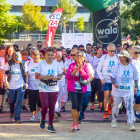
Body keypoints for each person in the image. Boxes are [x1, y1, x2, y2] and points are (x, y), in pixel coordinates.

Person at [35, 48, 62, 133]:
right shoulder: (41, 63)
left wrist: (56, 78)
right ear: (45, 55)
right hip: (43, 87)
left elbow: (60, 75)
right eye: (48, 55)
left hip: (54, 87)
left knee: (52, 107)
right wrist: (47, 77)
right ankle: (43, 119)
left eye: (51, 55)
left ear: (54, 56)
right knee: (45, 106)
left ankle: (50, 125)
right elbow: (37, 76)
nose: (50, 57)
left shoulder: (57, 64)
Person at [111, 50, 138, 131]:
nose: (119, 57)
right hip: (118, 90)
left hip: (128, 90)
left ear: (125, 57)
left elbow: (136, 78)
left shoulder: (132, 66)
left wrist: (136, 87)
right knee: (116, 106)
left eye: (121, 56)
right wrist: (114, 83)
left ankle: (131, 124)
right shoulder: (117, 66)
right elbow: (112, 77)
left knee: (129, 107)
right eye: (119, 56)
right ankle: (114, 120)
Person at [66, 51, 89, 131]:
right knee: (74, 105)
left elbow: (86, 76)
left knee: (79, 106)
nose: (79, 57)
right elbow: (68, 76)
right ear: (74, 57)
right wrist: (76, 70)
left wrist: (81, 70)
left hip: (81, 88)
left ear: (83, 57)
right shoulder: (71, 65)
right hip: (72, 88)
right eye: (77, 56)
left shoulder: (85, 66)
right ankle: (74, 123)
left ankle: (77, 123)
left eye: (80, 56)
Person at [4, 52, 28, 123]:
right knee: (11, 101)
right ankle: (12, 111)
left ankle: (17, 118)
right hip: (11, 86)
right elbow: (5, 74)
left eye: (19, 59)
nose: (18, 61)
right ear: (14, 58)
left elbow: (26, 74)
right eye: (16, 59)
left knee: (19, 102)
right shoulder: (9, 63)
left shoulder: (23, 63)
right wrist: (6, 82)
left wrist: (26, 82)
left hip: (20, 86)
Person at [97, 44, 119, 119]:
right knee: (106, 95)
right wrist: (101, 78)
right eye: (111, 51)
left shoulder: (117, 57)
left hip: (114, 80)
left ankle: (110, 105)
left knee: (112, 96)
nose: (113, 52)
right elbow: (98, 69)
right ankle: (105, 112)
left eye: (114, 51)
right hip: (105, 79)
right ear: (107, 50)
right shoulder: (104, 57)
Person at [78, 57, 94, 124]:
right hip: (78, 87)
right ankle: (79, 117)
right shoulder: (75, 65)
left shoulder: (88, 65)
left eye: (81, 57)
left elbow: (92, 76)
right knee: (79, 103)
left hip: (87, 87)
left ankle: (82, 112)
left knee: (85, 103)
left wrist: (88, 81)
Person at [28, 50, 42, 121]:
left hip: (40, 86)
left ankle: (39, 110)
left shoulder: (42, 63)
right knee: (32, 101)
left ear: (39, 57)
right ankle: (33, 115)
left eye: (37, 58)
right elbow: (27, 73)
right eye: (34, 58)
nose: (35, 60)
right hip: (31, 86)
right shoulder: (29, 63)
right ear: (32, 57)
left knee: (39, 100)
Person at [54, 49, 68, 118]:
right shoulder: (53, 62)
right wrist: (61, 72)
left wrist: (63, 72)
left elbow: (65, 72)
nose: (58, 57)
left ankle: (58, 111)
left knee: (59, 98)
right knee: (55, 98)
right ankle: (55, 111)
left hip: (61, 82)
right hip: (54, 81)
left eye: (60, 56)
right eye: (57, 56)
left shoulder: (64, 62)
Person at [90, 46, 104, 112]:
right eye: (99, 50)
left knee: (100, 91)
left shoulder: (103, 58)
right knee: (93, 91)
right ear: (96, 51)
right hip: (94, 77)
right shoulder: (92, 58)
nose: (100, 52)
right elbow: (89, 67)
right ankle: (92, 105)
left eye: (101, 50)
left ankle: (101, 105)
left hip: (100, 77)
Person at [130, 46, 140, 120]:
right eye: (135, 52)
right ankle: (132, 113)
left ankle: (138, 113)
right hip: (133, 84)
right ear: (131, 53)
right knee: (136, 99)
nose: (137, 54)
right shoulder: (130, 62)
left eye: (138, 52)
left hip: (139, 83)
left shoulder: (139, 61)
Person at [0, 45, 6, 112]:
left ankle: (1, 105)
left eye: (4, 52)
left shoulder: (5, 59)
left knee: (2, 92)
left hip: (3, 77)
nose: (3, 54)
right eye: (1, 52)